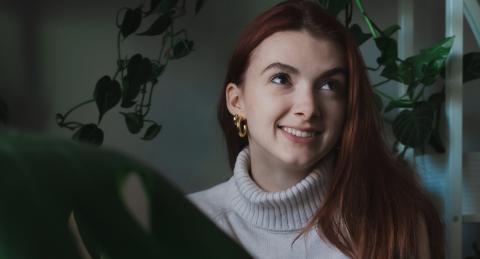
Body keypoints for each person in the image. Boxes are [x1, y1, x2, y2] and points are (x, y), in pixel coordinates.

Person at [188, 0, 444, 258]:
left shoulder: (397, 224)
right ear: (236, 101)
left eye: (329, 85)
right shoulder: (185, 224)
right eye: (281, 79)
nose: (308, 108)